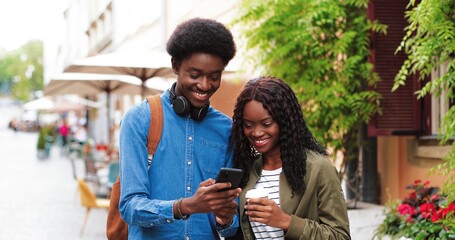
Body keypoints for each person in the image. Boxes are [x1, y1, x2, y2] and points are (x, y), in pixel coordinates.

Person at [118, 18, 241, 240]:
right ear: (175, 66)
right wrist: (185, 206)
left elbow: (230, 227)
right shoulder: (139, 119)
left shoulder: (227, 130)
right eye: (194, 75)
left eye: (214, 77)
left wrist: (226, 218)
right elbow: (129, 207)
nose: (205, 85)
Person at [230, 76, 351, 239]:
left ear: (284, 121)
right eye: (248, 125)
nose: (256, 132)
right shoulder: (247, 170)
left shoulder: (318, 168)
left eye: (266, 124)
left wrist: (286, 222)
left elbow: (340, 235)